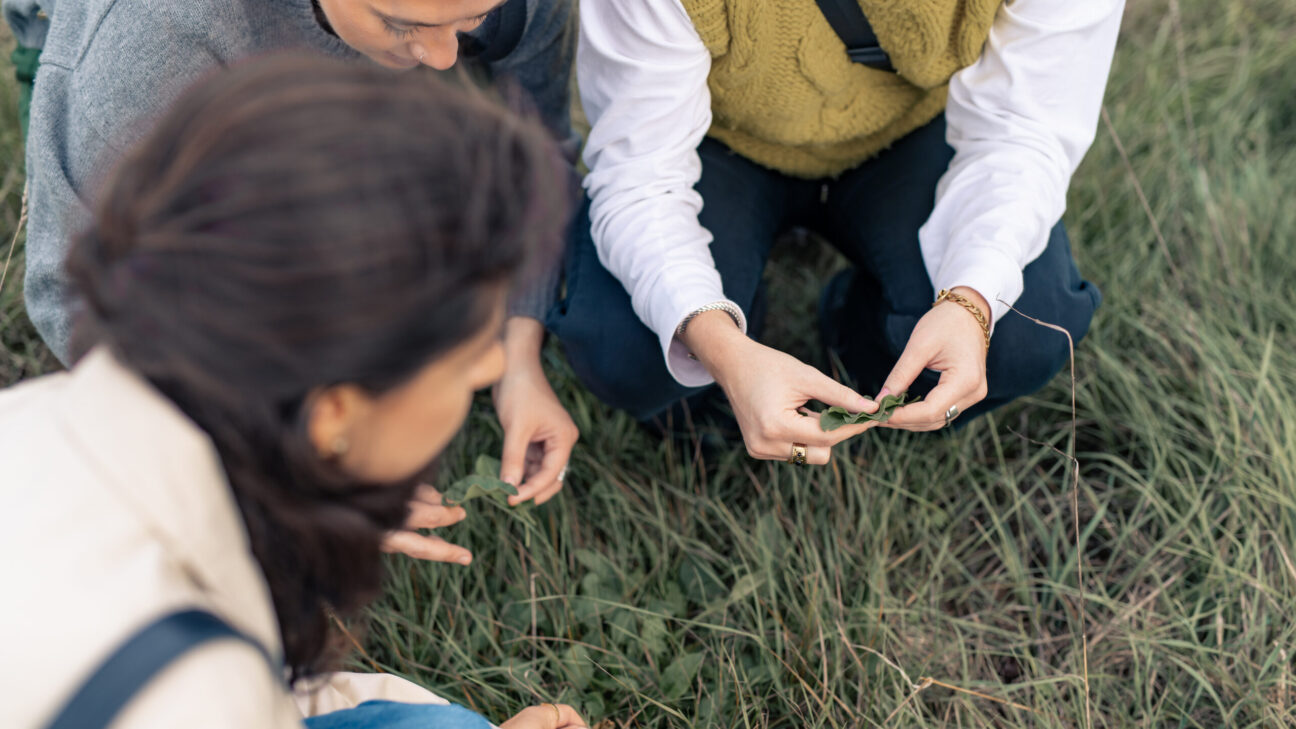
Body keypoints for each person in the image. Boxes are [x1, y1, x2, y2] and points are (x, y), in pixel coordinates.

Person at [0, 54, 587, 729]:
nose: (491, 370)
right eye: (466, 357)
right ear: (335, 410)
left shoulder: (34, 420)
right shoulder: (192, 688)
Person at [17, 0, 580, 533]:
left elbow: (539, 155)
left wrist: (518, 355)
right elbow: (75, 292)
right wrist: (293, 473)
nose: (442, 57)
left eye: (475, 17)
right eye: (401, 24)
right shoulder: (155, 44)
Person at [553, 0, 1122, 465]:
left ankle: (860, 347)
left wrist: (971, 301)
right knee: (626, 341)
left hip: (911, 135)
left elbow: (1023, 133)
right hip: (718, 139)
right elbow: (640, 174)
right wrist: (720, 346)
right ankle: (717, 406)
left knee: (1021, 330)